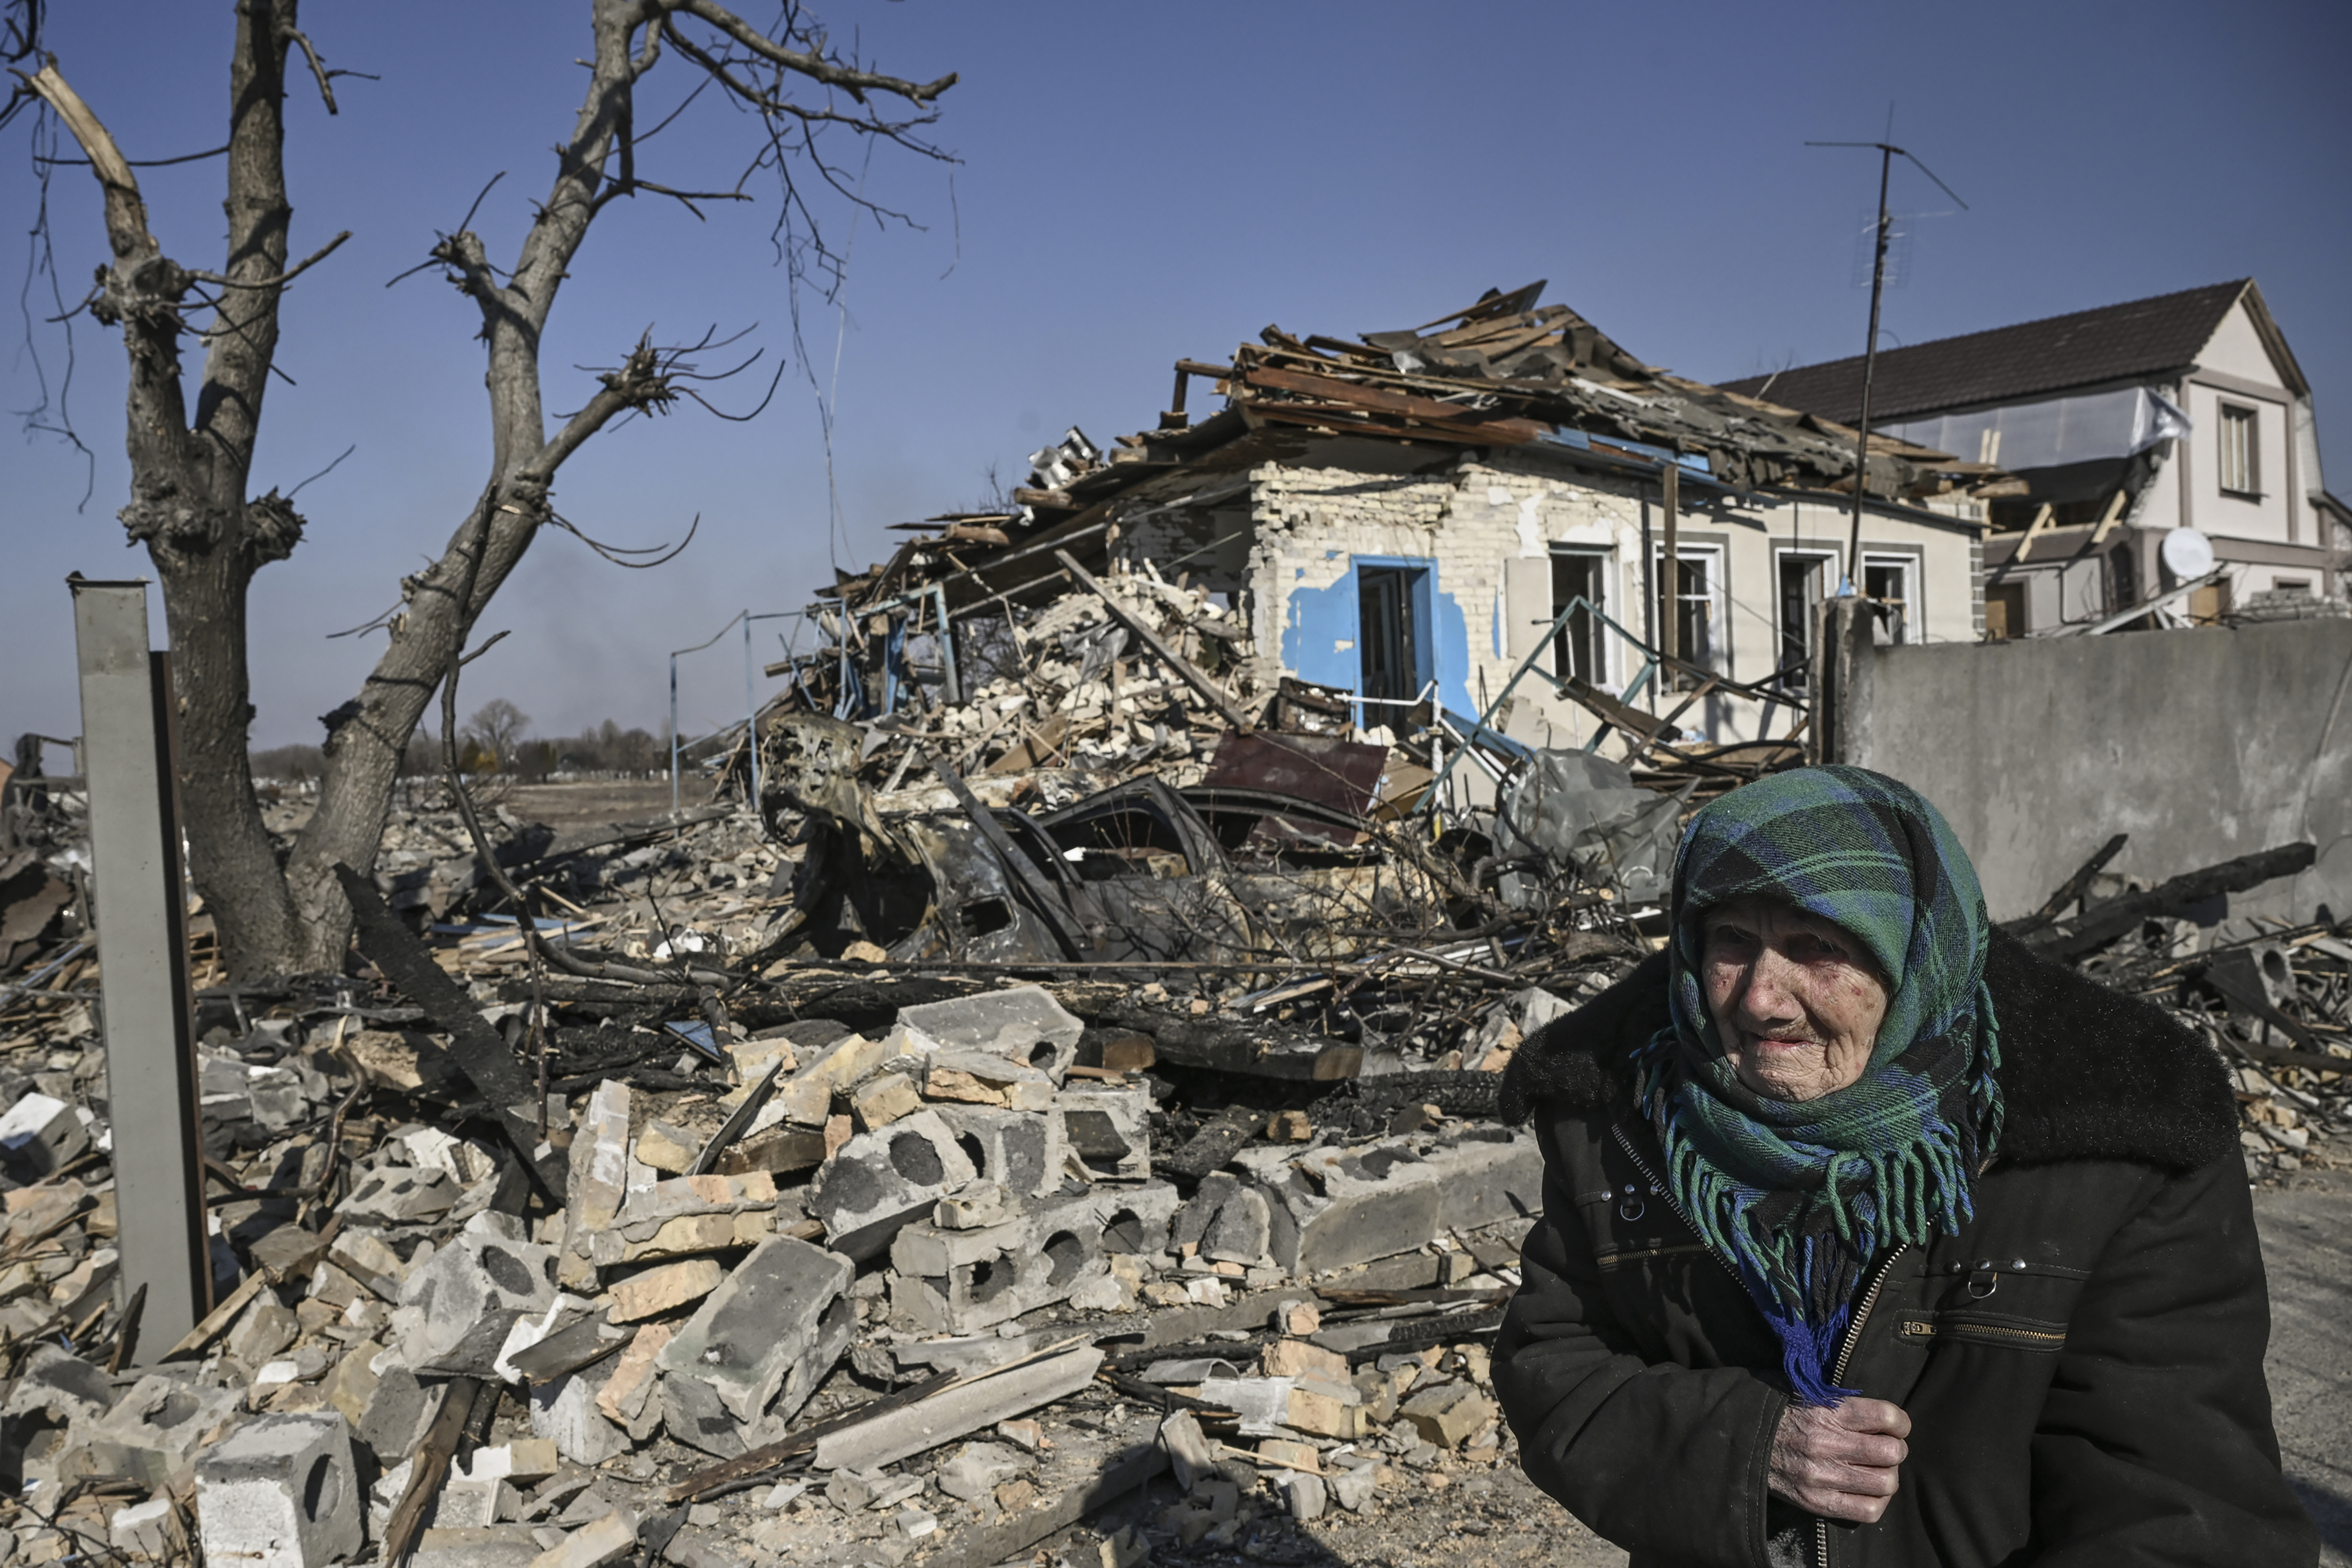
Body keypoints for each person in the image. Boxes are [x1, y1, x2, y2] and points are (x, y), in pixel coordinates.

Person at [1492, 766, 2315, 1568]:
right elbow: (1555, 1364)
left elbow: (2182, 1506)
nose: (1759, 999)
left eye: (1816, 945)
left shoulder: (2119, 1143)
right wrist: (1745, 1449)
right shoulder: (1625, 1120)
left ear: (1915, 952)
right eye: (1733, 941)